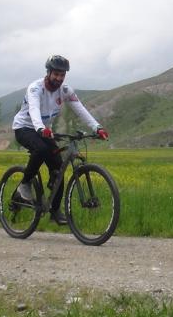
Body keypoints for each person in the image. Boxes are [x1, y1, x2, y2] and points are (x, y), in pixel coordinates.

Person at [11, 55, 109, 225]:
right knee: (41, 150)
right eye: (56, 74)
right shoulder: (36, 88)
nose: (59, 78)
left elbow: (81, 110)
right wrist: (41, 128)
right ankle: (24, 185)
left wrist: (97, 127)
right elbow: (34, 110)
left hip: (43, 130)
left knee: (58, 167)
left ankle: (55, 211)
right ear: (48, 72)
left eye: (62, 75)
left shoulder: (65, 91)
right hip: (25, 128)